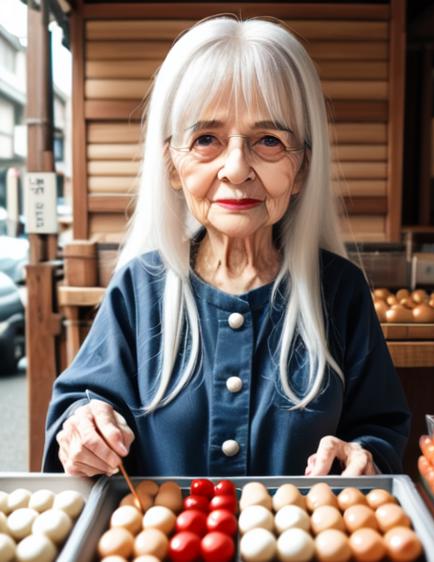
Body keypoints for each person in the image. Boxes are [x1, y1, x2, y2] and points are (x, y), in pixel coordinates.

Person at [43, 15, 410, 477]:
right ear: (173, 166)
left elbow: (379, 428)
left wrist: (366, 455)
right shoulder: (140, 288)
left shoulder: (340, 291)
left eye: (269, 141)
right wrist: (83, 427)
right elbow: (83, 404)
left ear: (300, 170)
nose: (236, 168)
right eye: (206, 139)